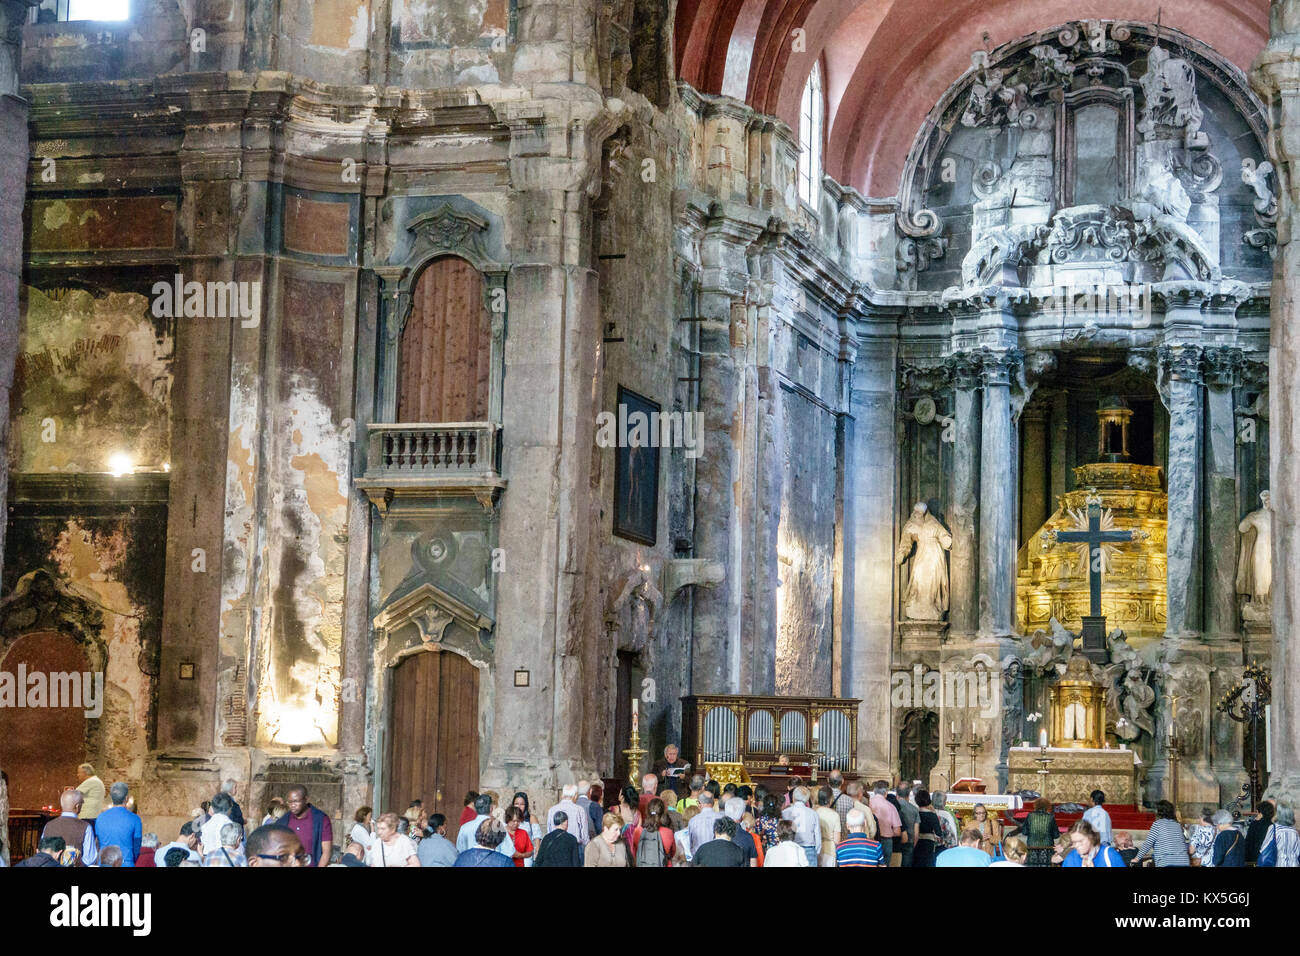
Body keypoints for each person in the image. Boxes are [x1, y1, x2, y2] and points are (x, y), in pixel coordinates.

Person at [41, 789, 98, 866]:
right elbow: (90, 859)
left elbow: (42, 853)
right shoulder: (85, 827)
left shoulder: (48, 825)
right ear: (77, 806)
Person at [94, 781, 142, 867]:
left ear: (112, 797)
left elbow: (98, 842)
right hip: (126, 863)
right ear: (126, 798)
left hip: (104, 863)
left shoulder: (100, 817)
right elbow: (137, 847)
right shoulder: (135, 819)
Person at [283, 786, 332, 868]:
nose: (292, 805)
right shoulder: (283, 821)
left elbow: (326, 852)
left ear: (306, 799)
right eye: (290, 802)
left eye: (296, 801)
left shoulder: (320, 819)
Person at [1133, 800, 1190, 867]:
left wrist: (1137, 858)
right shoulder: (1177, 825)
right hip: (1183, 861)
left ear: (1159, 812)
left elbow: (1148, 843)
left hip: (1167, 862)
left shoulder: (1157, 824)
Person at [781, 786, 820, 866]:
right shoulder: (813, 813)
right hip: (809, 848)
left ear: (793, 797)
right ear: (807, 799)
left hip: (790, 848)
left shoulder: (785, 812)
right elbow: (817, 835)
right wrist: (817, 851)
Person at [1060, 820, 1126, 867]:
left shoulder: (1110, 855)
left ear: (1091, 838)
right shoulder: (1071, 857)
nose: (1076, 846)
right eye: (1074, 842)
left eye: (1080, 841)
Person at [631, 797, 674, 866]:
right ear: (663, 813)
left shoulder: (637, 831)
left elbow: (633, 853)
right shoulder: (668, 832)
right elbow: (672, 853)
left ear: (647, 812)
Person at [869, 780, 902, 863]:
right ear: (886, 792)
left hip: (871, 839)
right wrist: (887, 832)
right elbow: (898, 832)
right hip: (886, 840)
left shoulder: (867, 804)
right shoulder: (891, 807)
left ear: (874, 791)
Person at [1022, 797, 1060, 867]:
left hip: (1032, 847)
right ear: (1047, 806)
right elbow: (1056, 835)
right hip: (1047, 849)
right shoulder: (1050, 817)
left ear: (1035, 805)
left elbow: (1024, 832)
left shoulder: (1030, 815)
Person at [200, 790, 239, 858]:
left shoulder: (205, 826)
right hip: (224, 859)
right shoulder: (230, 825)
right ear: (230, 808)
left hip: (208, 860)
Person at [912, 789, 944, 867]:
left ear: (916, 800)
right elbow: (939, 833)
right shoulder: (932, 815)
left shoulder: (914, 813)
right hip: (928, 843)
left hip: (916, 841)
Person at [814, 786, 841, 867]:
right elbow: (837, 840)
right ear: (830, 799)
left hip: (816, 848)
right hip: (830, 850)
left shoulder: (814, 812)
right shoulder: (834, 815)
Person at [894, 782, 919, 867]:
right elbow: (916, 833)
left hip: (895, 842)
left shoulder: (892, 807)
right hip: (909, 843)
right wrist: (913, 845)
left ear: (896, 793)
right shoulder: (914, 809)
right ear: (909, 794)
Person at [1245, 799, 1276, 865]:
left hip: (1253, 858)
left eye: (1257, 812)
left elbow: (1248, 843)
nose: (1256, 814)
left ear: (1261, 813)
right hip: (1268, 859)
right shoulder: (1273, 826)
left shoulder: (1254, 824)